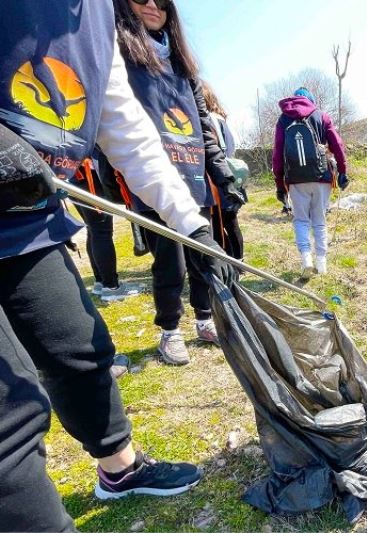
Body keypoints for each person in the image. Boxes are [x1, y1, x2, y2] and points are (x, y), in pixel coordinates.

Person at [0, 1, 234, 530]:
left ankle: (118, 470)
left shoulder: (99, 15)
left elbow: (126, 129)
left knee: (79, 345)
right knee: (5, 412)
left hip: (22, 213)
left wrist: (192, 226)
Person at [114, 0, 245, 365]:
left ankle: (204, 319)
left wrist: (221, 172)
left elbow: (204, 128)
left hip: (193, 178)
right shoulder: (121, 59)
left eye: (162, 0)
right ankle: (169, 330)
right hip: (154, 181)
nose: (153, 5)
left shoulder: (184, 67)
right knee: (170, 264)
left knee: (203, 256)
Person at [272, 87, 349, 276]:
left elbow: (277, 155)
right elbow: (337, 145)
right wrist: (343, 171)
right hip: (321, 176)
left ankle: (306, 259)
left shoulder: (283, 120)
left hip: (296, 180)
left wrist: (280, 184)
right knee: (319, 221)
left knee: (301, 220)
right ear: (311, 101)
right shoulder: (321, 116)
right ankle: (321, 264)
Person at [71, 150, 144, 302]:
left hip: (74, 174)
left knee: (93, 229)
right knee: (101, 230)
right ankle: (111, 287)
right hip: (87, 174)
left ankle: (101, 282)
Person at [202, 80, 246, 260]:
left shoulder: (209, 119)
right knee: (231, 223)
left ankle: (232, 263)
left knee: (223, 223)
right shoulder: (222, 120)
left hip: (219, 180)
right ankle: (238, 261)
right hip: (229, 176)